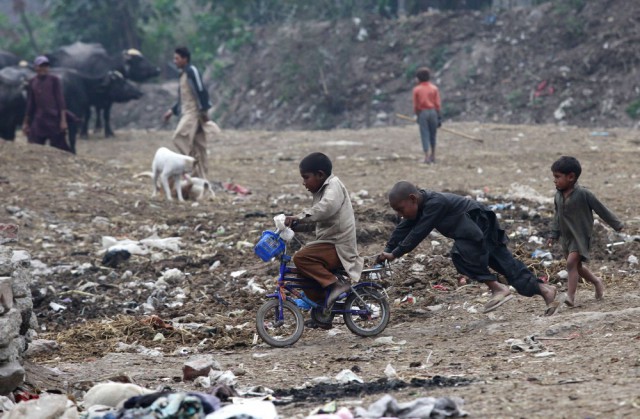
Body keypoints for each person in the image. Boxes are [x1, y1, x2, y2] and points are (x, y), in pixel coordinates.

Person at [376, 181, 559, 314]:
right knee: (505, 264)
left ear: (412, 198)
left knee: (461, 255)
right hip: (477, 227)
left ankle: (498, 288)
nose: (400, 215)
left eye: (401, 209)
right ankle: (546, 291)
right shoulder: (421, 205)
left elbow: (419, 232)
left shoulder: (434, 203)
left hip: (478, 223)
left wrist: (397, 253)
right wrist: (388, 249)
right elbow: (403, 228)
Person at [284, 152, 364, 329]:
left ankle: (337, 284)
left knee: (300, 258)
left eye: (306, 177)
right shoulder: (323, 191)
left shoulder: (333, 186)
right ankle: (324, 309)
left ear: (320, 175)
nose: (304, 183)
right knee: (301, 271)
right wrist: (296, 225)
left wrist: (300, 216)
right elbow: (319, 221)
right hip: (329, 243)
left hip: (338, 245)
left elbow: (325, 209)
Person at [548, 156, 623, 307]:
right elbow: (557, 216)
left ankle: (570, 296)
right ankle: (596, 281)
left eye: (557, 177)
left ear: (571, 177)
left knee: (570, 264)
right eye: (554, 177)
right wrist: (553, 234)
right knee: (577, 268)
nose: (555, 181)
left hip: (580, 236)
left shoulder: (583, 194)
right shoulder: (558, 196)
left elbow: (601, 209)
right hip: (566, 237)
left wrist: (617, 224)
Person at [163, 46, 214, 180]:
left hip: (193, 113)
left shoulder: (192, 71)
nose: (174, 61)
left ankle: (189, 166)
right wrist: (172, 111)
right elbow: (183, 98)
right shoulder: (182, 74)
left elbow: (201, 90)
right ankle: (200, 178)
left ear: (185, 59)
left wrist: (204, 110)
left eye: (177, 58)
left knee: (179, 137)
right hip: (187, 112)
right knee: (199, 147)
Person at [22, 56, 71, 153]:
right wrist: (26, 122)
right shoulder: (32, 82)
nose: (43, 68)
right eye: (41, 66)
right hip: (39, 119)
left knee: (60, 149)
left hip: (53, 118)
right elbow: (30, 104)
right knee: (33, 147)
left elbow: (60, 101)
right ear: (36, 67)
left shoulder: (54, 80)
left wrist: (63, 121)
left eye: (45, 66)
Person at [412, 67, 441, 164]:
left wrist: (417, 115)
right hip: (433, 112)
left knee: (425, 134)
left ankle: (426, 157)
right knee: (433, 134)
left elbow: (416, 105)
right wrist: (439, 116)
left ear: (419, 78)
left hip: (423, 113)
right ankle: (433, 155)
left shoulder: (417, 90)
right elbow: (437, 104)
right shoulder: (434, 88)